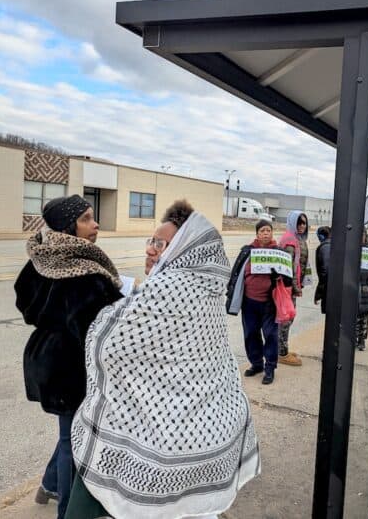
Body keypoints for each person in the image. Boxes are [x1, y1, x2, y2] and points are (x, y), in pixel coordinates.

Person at [67, 200, 259, 519]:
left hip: (159, 443)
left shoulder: (170, 290)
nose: (151, 250)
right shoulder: (204, 290)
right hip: (209, 436)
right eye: (151, 241)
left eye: (161, 244)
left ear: (183, 250)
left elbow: (106, 345)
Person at [14, 195, 123, 519]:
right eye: (88, 218)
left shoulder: (42, 256)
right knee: (73, 441)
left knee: (68, 431)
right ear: (69, 226)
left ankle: (48, 485)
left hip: (45, 358)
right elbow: (95, 325)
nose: (96, 223)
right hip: (72, 367)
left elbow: (25, 301)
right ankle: (66, 512)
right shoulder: (82, 271)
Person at [227, 219, 281, 385]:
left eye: (268, 230)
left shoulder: (278, 252)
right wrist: (230, 291)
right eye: (262, 230)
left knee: (271, 335)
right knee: (251, 334)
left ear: (272, 233)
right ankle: (257, 364)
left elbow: (287, 277)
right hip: (249, 301)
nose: (266, 233)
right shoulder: (247, 250)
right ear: (257, 233)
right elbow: (236, 272)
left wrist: (277, 275)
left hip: (270, 303)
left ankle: (270, 368)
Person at [277, 210, 311, 366]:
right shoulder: (290, 240)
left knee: (288, 318)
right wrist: (296, 287)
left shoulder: (298, 239)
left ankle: (282, 349)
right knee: (285, 319)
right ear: (292, 222)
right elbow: (290, 268)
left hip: (291, 287)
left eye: (304, 222)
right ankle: (281, 353)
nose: (302, 225)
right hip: (287, 287)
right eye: (299, 222)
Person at [314, 226, 331, 314]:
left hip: (329, 290)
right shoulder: (333, 245)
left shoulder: (325, 247)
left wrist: (319, 292)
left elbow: (326, 272)